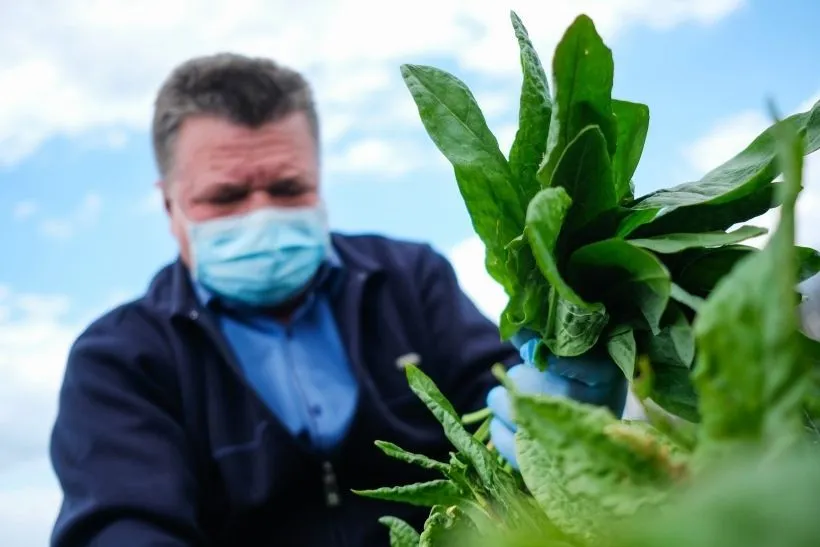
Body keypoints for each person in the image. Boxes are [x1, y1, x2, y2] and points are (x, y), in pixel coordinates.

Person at [48, 53, 626, 547]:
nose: (261, 215)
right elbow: (122, 527)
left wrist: (554, 409)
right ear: (169, 206)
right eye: (224, 197)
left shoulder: (408, 278)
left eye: (288, 188)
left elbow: (495, 388)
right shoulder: (120, 359)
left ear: (320, 183)